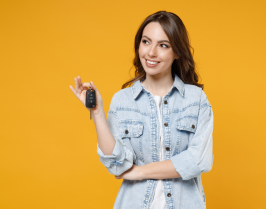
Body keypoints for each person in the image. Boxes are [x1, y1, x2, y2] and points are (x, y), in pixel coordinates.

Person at [70, 11, 214, 209]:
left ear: (177, 52)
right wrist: (96, 112)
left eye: (163, 45)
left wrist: (139, 172)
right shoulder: (123, 100)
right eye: (146, 42)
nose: (151, 52)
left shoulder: (195, 100)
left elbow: (199, 160)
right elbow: (117, 165)